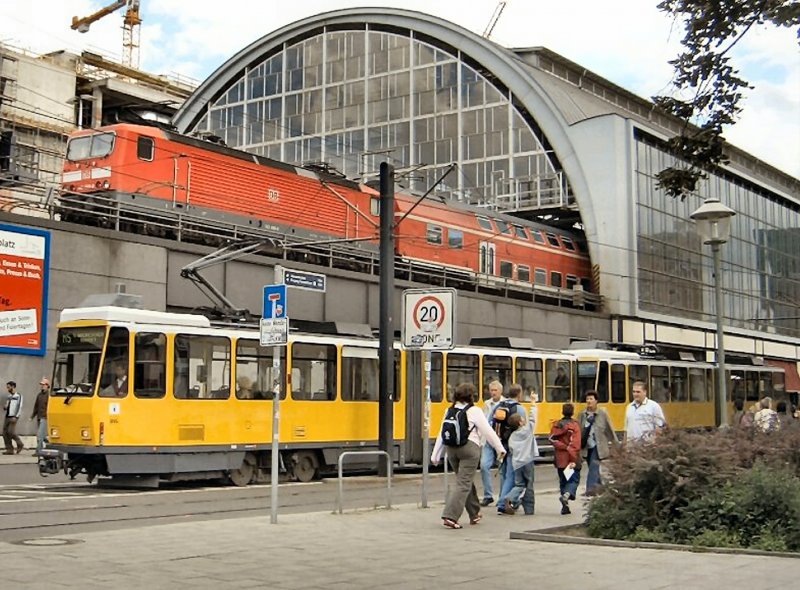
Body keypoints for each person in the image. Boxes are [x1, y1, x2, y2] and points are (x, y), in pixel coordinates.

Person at [431, 382, 505, 529]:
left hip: (451, 450)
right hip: (469, 449)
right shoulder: (474, 410)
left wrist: (435, 455)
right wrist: (499, 448)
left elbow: (441, 433)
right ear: (471, 396)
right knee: (463, 483)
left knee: (465, 480)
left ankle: (475, 513)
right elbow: (488, 431)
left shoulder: (449, 410)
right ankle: (450, 516)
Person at [576, 390, 619, 495]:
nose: (589, 401)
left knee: (594, 466)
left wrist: (616, 444)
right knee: (592, 466)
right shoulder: (582, 414)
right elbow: (577, 430)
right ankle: (601, 488)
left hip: (598, 445)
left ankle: (590, 490)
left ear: (596, 401)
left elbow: (609, 430)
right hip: (586, 446)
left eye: (591, 399)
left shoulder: (602, 414)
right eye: (587, 399)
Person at [493, 383, 526, 516]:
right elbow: (525, 429)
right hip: (515, 447)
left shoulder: (499, 406)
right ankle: (502, 503)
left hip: (502, 444)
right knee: (512, 477)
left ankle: (508, 502)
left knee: (505, 475)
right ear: (519, 394)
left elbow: (491, 421)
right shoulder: (519, 409)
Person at [503, 400, 539, 515]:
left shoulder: (512, 436)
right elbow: (533, 418)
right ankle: (529, 510)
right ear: (520, 423)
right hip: (527, 462)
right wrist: (533, 404)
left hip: (517, 463)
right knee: (529, 485)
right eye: (522, 419)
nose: (525, 419)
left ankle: (510, 497)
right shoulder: (527, 430)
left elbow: (512, 450)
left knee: (519, 484)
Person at [549, 402, 581, 514]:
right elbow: (576, 445)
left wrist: (562, 446)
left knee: (563, 481)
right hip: (570, 459)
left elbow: (552, 439)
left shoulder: (556, 425)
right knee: (572, 480)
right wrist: (573, 459)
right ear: (572, 412)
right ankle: (567, 495)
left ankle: (565, 507)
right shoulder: (574, 426)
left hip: (560, 460)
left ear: (562, 411)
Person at [479, 380, 504, 507]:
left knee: (502, 469)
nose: (493, 393)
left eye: (495, 390)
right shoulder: (487, 404)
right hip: (488, 440)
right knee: (484, 466)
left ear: (501, 391)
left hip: (501, 441)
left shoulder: (505, 404)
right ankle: (488, 495)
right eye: (491, 390)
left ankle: (502, 497)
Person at [3, 380, 24, 455]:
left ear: (13, 387)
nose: (7, 389)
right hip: (7, 416)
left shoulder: (18, 396)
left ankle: (20, 444)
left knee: (11, 432)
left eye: (8, 387)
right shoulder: (9, 397)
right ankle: (9, 449)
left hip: (13, 416)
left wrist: (16, 416)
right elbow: (7, 405)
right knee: (5, 432)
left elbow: (20, 407)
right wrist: (5, 407)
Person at [30, 377, 50, 455]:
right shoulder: (39, 395)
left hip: (45, 417)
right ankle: (51, 445)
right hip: (39, 417)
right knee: (43, 436)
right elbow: (36, 406)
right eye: (41, 385)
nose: (42, 386)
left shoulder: (49, 395)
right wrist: (32, 416)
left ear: (47, 386)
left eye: (43, 385)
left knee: (39, 435)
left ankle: (38, 451)